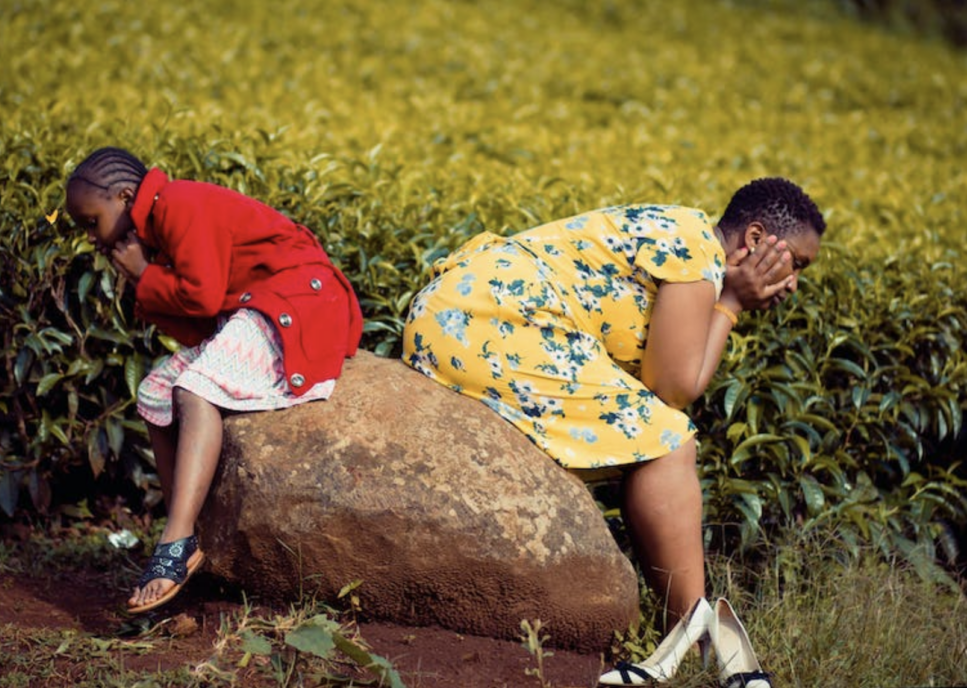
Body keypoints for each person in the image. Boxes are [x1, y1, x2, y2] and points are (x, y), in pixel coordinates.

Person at [402, 178, 824, 686]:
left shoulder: (683, 231)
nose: (793, 283)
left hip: (459, 310)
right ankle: (692, 637)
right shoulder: (696, 251)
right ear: (755, 239)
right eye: (797, 264)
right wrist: (730, 304)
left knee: (655, 430)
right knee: (670, 441)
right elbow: (673, 387)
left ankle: (691, 634)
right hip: (489, 321)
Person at [65, 147, 363, 614]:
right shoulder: (155, 224)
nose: (90, 237)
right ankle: (189, 534)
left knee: (193, 389)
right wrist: (146, 276)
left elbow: (201, 299)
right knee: (155, 391)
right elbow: (202, 322)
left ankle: (175, 538)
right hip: (257, 307)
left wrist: (145, 274)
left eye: (91, 221)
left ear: (123, 197)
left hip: (297, 301)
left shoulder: (178, 203)